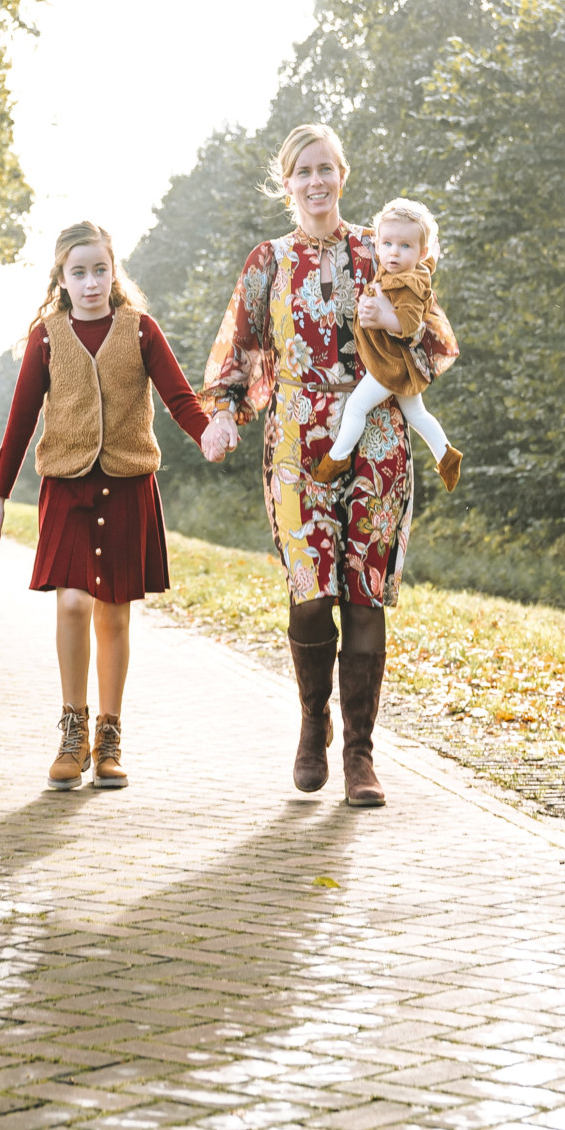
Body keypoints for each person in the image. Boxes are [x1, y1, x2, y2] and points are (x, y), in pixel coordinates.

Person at [198, 125, 457, 808]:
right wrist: (224, 412)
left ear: (343, 174)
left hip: (378, 438)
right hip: (296, 443)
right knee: (312, 590)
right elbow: (239, 349)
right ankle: (313, 721)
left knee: (366, 592)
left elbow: (436, 339)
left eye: (326, 169)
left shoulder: (385, 247)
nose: (316, 181)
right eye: (303, 171)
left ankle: (360, 754)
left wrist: (402, 354)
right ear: (286, 184)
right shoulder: (269, 261)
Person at [0, 220, 225, 792]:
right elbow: (19, 425)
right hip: (66, 486)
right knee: (71, 604)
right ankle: (73, 729)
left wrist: (207, 433)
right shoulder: (46, 336)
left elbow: (179, 398)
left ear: (114, 272)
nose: (91, 282)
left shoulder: (140, 331)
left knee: (113, 610)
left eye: (100, 270)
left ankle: (109, 736)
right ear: (61, 279)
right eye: (78, 272)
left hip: (126, 483)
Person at [313, 196, 463, 491]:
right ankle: (446, 456)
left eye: (405, 246)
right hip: (398, 363)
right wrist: (431, 251)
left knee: (355, 408)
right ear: (378, 244)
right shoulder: (408, 269)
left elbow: (408, 324)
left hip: (389, 364)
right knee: (416, 414)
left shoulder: (407, 284)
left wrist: (382, 318)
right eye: (387, 244)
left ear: (418, 253)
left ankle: (336, 459)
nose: (394, 253)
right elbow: (427, 263)